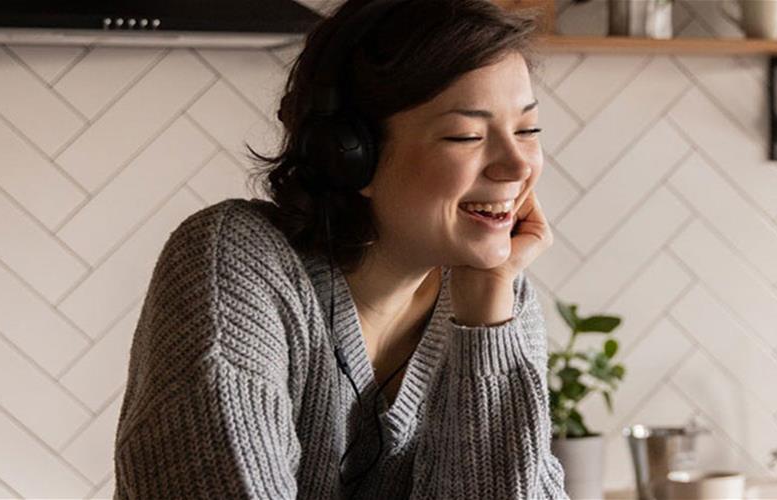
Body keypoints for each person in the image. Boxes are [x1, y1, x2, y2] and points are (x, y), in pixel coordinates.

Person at [109, 0, 566, 497]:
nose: (517, 166)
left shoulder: (500, 300)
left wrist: (487, 324)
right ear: (350, 155)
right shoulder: (236, 265)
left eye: (527, 130)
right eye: (466, 135)